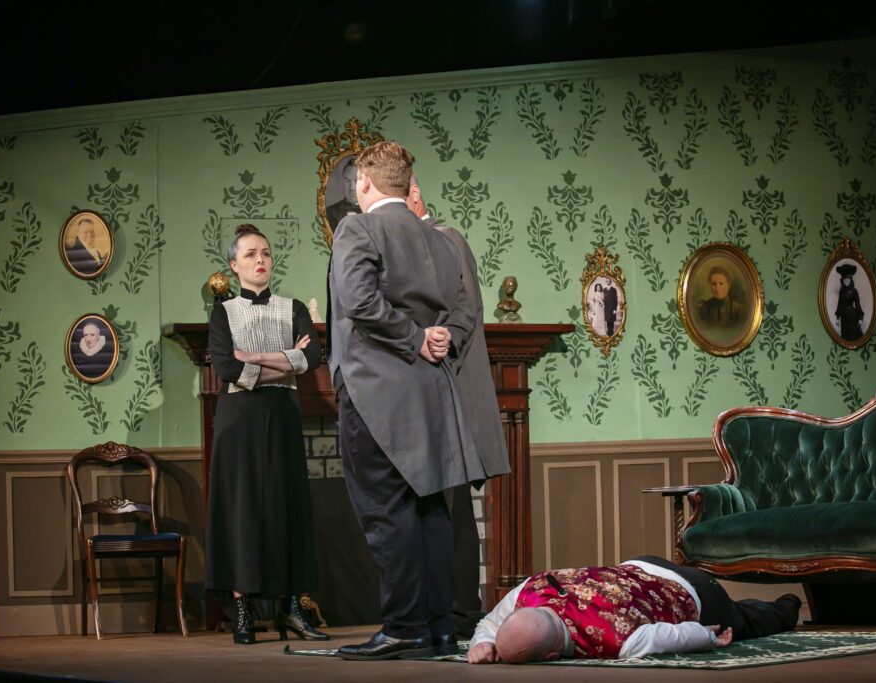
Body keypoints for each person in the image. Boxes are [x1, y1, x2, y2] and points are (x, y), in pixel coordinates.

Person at [328, 141, 479, 661]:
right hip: (432, 389)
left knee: (386, 510)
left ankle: (403, 627)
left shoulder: (359, 227)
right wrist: (436, 336)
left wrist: (415, 336)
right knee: (431, 509)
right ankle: (439, 628)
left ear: (365, 183)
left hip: (377, 393)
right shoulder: (438, 237)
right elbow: (461, 308)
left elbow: (359, 300)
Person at [206, 224, 329, 645]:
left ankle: (293, 607)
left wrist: (255, 357)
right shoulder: (223, 312)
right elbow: (225, 367)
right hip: (238, 420)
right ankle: (242, 610)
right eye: (251, 254)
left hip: (281, 415)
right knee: (242, 510)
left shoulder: (292, 307)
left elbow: (314, 355)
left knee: (287, 506)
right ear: (234, 264)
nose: (261, 260)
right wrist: (284, 362)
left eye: (266, 253)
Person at [406, 174, 510, 639]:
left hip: (450, 392)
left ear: (412, 195)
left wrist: (441, 342)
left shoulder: (446, 239)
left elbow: (466, 306)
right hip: (420, 398)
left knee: (453, 511)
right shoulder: (402, 249)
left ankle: (461, 616)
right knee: (432, 511)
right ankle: (437, 615)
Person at [467, 555, 801, 664]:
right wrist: (482, 641)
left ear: (553, 655)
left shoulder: (617, 639)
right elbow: (489, 623)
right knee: (742, 613)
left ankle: (788, 605)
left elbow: (669, 637)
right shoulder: (529, 590)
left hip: (692, 590)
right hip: (641, 565)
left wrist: (708, 638)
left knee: (746, 621)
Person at [324, 158, 361, 234]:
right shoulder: (330, 212)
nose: (352, 187)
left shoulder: (375, 212)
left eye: (356, 180)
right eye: (347, 181)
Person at [834, 263, 864, 341]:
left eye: (848, 279)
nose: (846, 281)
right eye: (844, 279)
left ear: (851, 279)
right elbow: (839, 304)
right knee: (845, 336)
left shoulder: (854, 291)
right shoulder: (841, 291)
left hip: (852, 316)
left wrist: (860, 318)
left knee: (853, 335)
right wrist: (837, 317)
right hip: (844, 318)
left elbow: (858, 305)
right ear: (842, 280)